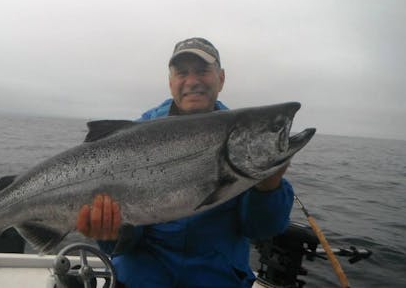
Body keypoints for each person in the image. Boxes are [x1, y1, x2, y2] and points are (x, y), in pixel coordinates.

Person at [75, 37, 294, 287]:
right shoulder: (133, 137)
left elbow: (260, 229)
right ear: (171, 83)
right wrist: (111, 232)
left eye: (202, 71)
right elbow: (123, 245)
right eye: (182, 73)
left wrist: (268, 188)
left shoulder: (243, 138)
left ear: (221, 78)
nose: (192, 81)